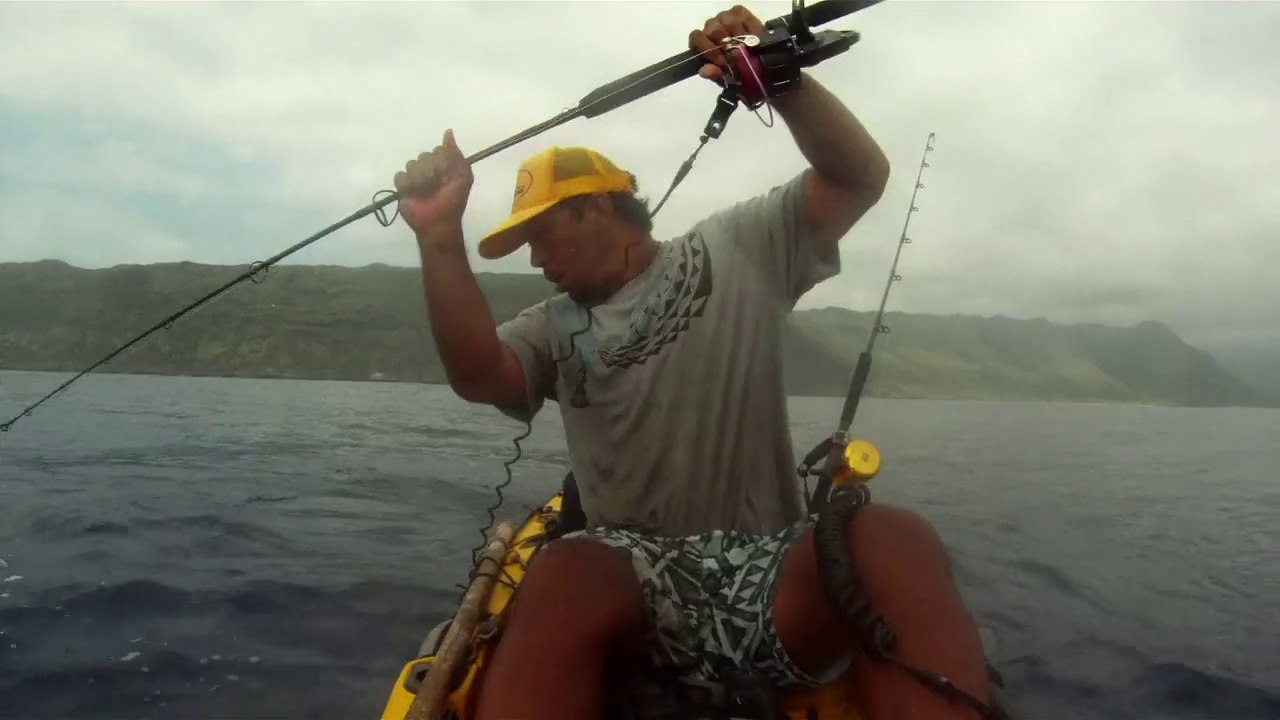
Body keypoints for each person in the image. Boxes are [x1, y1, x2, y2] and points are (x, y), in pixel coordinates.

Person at [393, 6, 1000, 719]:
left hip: (768, 576)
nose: (535, 258)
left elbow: (858, 177)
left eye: (541, 233)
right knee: (567, 569)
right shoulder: (550, 328)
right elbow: (479, 374)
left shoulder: (734, 247)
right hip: (633, 583)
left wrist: (779, 80)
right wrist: (438, 241)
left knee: (891, 537)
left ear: (597, 208)